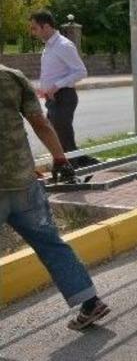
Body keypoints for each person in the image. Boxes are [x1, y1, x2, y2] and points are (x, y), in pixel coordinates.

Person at [0, 62, 110, 331]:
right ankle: (90, 302)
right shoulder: (12, 76)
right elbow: (40, 123)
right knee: (51, 245)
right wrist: (60, 159)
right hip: (23, 182)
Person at [29, 10, 99, 168]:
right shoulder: (49, 46)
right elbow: (54, 73)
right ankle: (82, 164)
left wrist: (57, 86)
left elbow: (81, 71)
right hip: (53, 98)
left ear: (45, 26)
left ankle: (74, 170)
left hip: (64, 97)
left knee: (63, 137)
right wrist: (45, 89)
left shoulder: (63, 45)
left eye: (34, 28)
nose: (32, 32)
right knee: (58, 137)